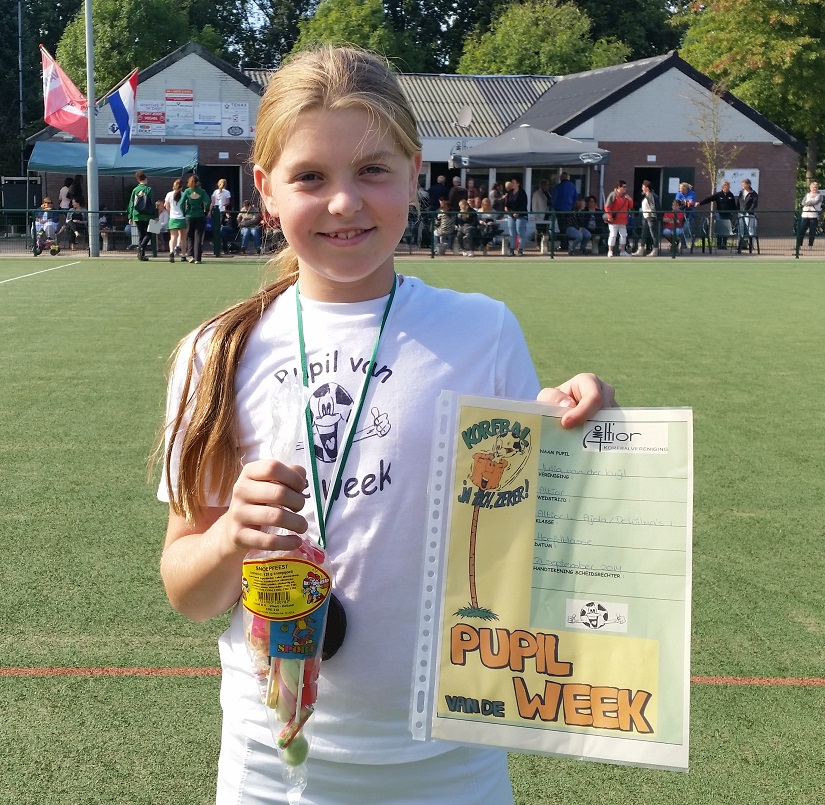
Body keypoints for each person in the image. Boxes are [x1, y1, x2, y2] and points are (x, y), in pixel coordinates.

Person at [156, 45, 616, 805]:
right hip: (274, 766)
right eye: (310, 177)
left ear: (414, 173)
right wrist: (230, 536)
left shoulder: (482, 331)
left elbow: (529, 538)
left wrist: (576, 428)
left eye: (372, 170)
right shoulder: (217, 352)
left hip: (449, 762)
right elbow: (189, 593)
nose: (344, 202)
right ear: (265, 190)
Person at [127, 170, 159, 262]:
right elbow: (152, 203)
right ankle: (141, 248)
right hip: (148, 214)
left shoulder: (135, 190)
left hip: (137, 214)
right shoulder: (149, 189)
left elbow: (131, 204)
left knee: (141, 234)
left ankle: (141, 254)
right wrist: (156, 215)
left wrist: (130, 216)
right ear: (145, 179)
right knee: (150, 232)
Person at [697, 181, 737, 249]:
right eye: (726, 187)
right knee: (720, 229)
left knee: (726, 230)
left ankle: (724, 245)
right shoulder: (719, 194)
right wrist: (700, 203)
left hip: (728, 215)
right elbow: (709, 199)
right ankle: (719, 244)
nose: (727, 188)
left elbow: (733, 205)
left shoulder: (731, 195)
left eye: (728, 187)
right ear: (723, 187)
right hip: (720, 214)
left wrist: (734, 212)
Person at [181, 174, 210, 264]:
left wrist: (185, 212)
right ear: (198, 182)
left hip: (189, 216)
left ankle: (191, 255)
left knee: (190, 236)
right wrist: (205, 212)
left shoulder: (187, 191)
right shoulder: (202, 191)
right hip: (200, 215)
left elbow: (181, 203)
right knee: (198, 237)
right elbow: (208, 202)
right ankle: (198, 258)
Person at [603, 179, 633, 257]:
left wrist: (630, 200)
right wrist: (610, 217)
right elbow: (607, 207)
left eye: (625, 187)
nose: (625, 188)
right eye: (623, 187)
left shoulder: (626, 197)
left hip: (623, 220)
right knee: (613, 235)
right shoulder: (613, 195)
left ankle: (622, 251)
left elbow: (630, 206)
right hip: (614, 220)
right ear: (618, 187)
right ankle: (610, 251)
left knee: (623, 235)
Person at [633, 180, 659, 257]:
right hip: (645, 217)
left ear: (647, 188)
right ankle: (641, 249)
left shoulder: (650, 195)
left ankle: (655, 250)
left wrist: (651, 212)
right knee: (643, 234)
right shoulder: (647, 195)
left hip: (650, 217)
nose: (642, 188)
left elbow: (653, 206)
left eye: (643, 187)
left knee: (653, 234)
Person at [504, 176, 528, 256]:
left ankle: (520, 249)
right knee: (512, 233)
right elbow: (507, 205)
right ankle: (511, 249)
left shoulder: (522, 193)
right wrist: (510, 212)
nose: (512, 184)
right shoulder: (510, 193)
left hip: (521, 215)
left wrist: (518, 213)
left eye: (514, 183)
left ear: (518, 183)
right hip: (511, 215)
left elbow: (524, 205)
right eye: (512, 183)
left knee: (520, 232)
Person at [165, 178, 187, 263]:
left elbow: (167, 206)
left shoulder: (169, 194)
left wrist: (170, 214)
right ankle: (183, 255)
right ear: (182, 187)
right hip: (182, 218)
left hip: (173, 218)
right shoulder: (184, 194)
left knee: (173, 237)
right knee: (183, 238)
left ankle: (171, 251)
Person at [796, 181, 822, 251]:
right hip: (805, 215)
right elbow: (803, 203)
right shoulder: (807, 195)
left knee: (812, 232)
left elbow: (815, 202)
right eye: (813, 187)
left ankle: (810, 245)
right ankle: (799, 245)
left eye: (816, 187)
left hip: (813, 216)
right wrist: (808, 202)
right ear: (810, 188)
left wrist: (808, 202)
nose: (814, 189)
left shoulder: (819, 196)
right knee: (802, 231)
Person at [737, 178, 759, 252]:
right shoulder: (741, 193)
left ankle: (751, 245)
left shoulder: (753, 194)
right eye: (742, 185)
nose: (743, 186)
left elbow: (754, 204)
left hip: (749, 214)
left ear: (748, 184)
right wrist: (738, 210)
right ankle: (740, 245)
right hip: (741, 213)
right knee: (741, 229)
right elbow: (739, 202)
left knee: (750, 229)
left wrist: (748, 211)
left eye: (744, 185)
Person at [531, 179, 552, 249]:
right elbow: (534, 205)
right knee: (539, 230)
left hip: (547, 214)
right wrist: (535, 215)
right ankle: (538, 244)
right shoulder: (536, 194)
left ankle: (545, 244)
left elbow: (550, 201)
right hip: (539, 214)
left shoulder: (547, 193)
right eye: (546, 185)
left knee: (546, 230)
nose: (547, 186)